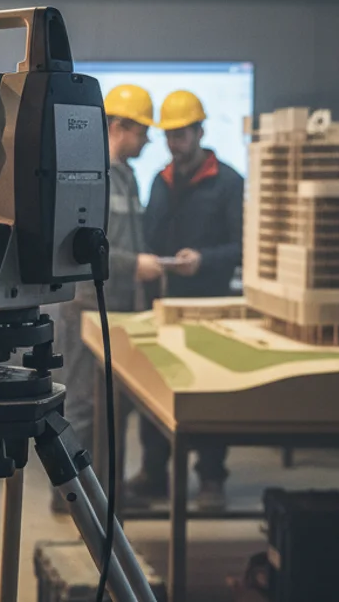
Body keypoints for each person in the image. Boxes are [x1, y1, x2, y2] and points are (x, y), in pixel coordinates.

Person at [54, 85, 163, 513]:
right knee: (83, 403)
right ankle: (71, 497)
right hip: (86, 307)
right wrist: (134, 264)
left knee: (113, 406)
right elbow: (76, 245)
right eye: (143, 131)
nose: (148, 140)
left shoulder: (127, 177)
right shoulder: (87, 175)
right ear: (118, 126)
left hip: (119, 309)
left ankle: (107, 493)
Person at [133, 89, 243, 510]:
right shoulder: (160, 181)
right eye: (168, 136)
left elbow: (242, 246)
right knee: (154, 385)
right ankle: (153, 474)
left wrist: (203, 260)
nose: (173, 143)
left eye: (180, 134)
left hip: (209, 305)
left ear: (200, 132)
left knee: (210, 393)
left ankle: (211, 478)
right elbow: (148, 235)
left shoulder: (228, 182)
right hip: (161, 303)